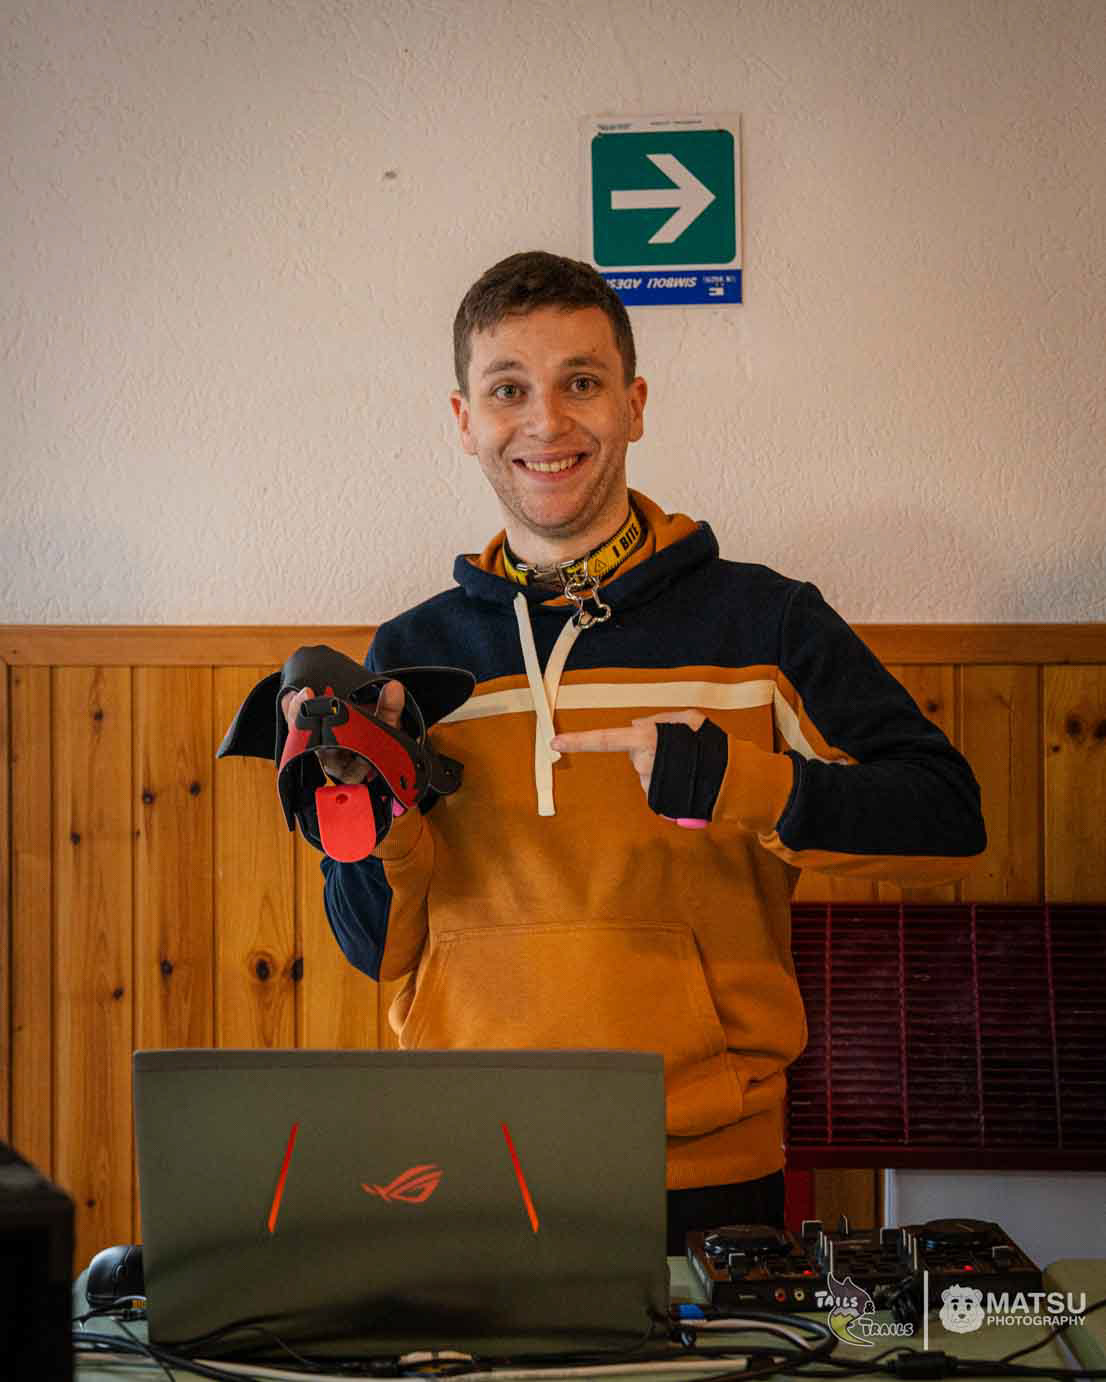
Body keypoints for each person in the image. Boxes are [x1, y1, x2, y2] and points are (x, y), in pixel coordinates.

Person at [283, 251, 987, 1252]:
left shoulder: (767, 621)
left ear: (634, 404)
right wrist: (375, 811)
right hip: (459, 1156)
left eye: (580, 381)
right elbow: (374, 950)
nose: (545, 422)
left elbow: (946, 819)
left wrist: (737, 783)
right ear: (463, 420)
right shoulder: (412, 656)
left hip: (702, 1165)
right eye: (508, 390)